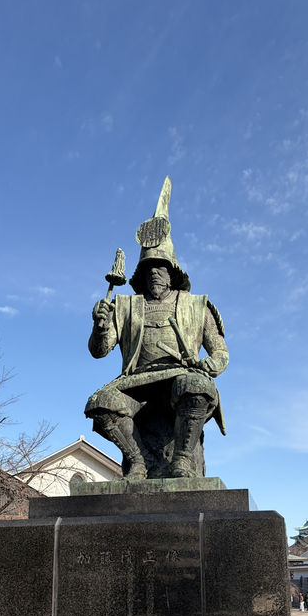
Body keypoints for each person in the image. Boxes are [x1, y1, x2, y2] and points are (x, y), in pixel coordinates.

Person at [85, 177, 228, 479]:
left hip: (179, 377)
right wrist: (100, 326)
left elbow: (220, 352)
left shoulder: (197, 305)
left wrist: (208, 365)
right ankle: (138, 461)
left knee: (198, 386)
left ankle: (183, 460)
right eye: (149, 269)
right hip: (136, 383)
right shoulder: (126, 306)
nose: (154, 274)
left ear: (173, 272)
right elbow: (100, 351)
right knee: (101, 402)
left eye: (160, 268)